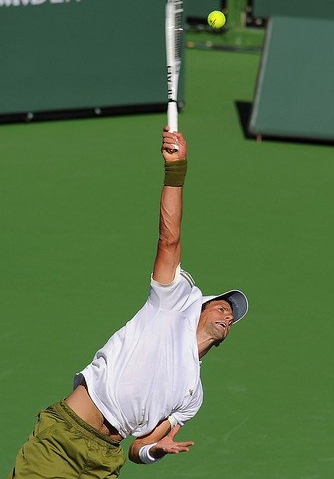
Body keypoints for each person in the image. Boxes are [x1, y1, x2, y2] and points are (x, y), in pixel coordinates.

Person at [8, 126, 248, 478]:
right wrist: (175, 171)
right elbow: (170, 239)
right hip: (64, 436)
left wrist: (155, 450)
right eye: (222, 306)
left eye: (232, 316)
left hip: (106, 459)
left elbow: (139, 448)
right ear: (200, 307)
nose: (228, 315)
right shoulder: (172, 304)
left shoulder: (191, 396)